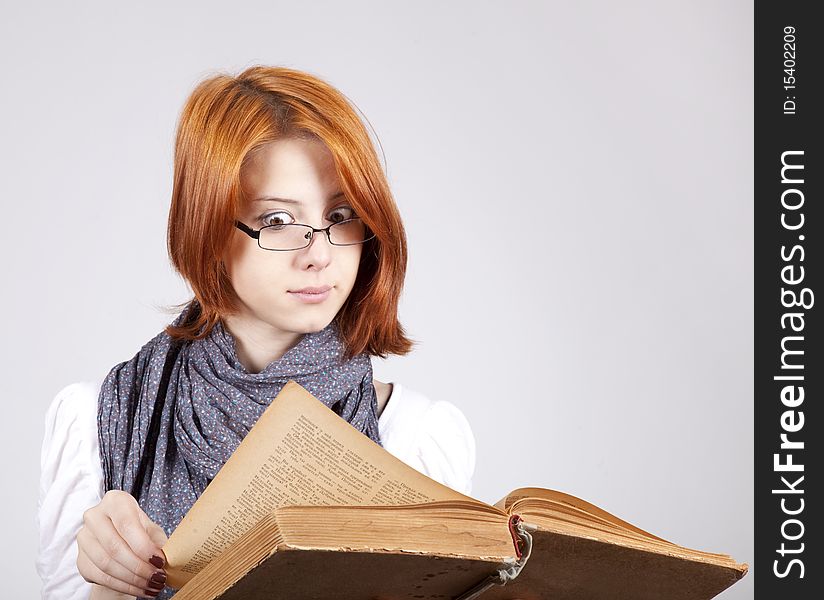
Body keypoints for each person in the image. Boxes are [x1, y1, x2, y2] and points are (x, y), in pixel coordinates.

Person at [37, 66, 476, 600]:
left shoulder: (415, 439)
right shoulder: (99, 422)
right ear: (208, 229)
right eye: (276, 221)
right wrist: (112, 582)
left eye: (341, 215)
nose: (319, 253)